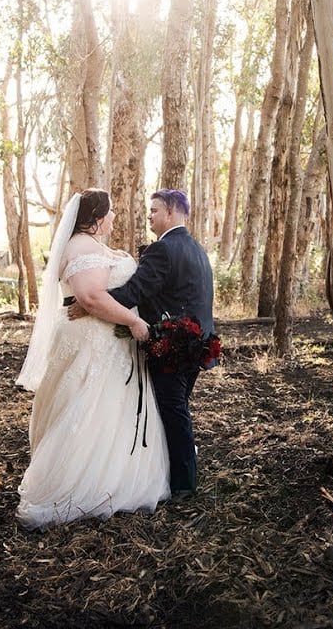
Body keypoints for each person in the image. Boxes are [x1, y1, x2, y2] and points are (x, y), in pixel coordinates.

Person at [13, 189, 170, 529]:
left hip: (108, 342)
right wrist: (133, 321)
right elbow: (90, 297)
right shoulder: (80, 246)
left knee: (112, 408)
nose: (115, 218)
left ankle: (119, 476)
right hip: (94, 341)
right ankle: (83, 484)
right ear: (98, 216)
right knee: (88, 406)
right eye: (111, 212)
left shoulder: (93, 246)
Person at [71, 188, 214, 501]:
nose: (149, 216)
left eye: (154, 210)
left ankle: (183, 483)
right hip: (198, 345)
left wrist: (90, 304)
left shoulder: (162, 250)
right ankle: (174, 471)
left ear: (172, 212)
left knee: (173, 410)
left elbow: (135, 291)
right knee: (176, 408)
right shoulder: (197, 249)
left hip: (172, 345)